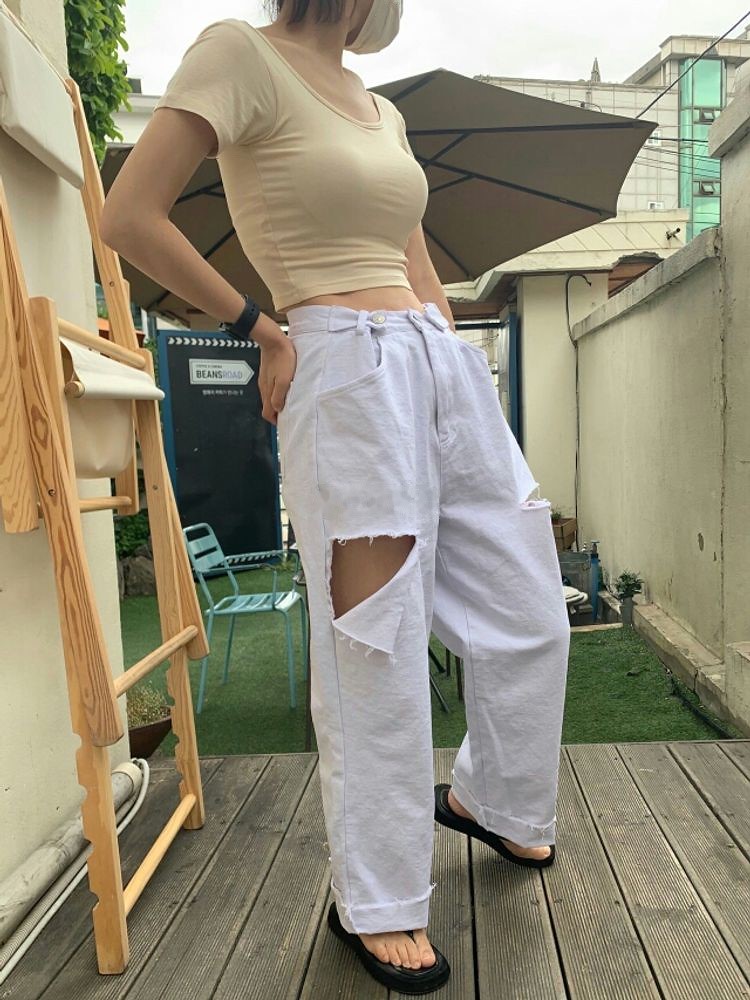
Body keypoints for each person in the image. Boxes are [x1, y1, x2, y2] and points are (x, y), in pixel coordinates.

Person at [100, 1, 570, 993]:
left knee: (531, 601)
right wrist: (258, 328)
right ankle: (379, 899)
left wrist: (455, 364)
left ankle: (492, 801)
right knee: (377, 643)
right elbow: (128, 215)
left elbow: (412, 258)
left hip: (434, 363)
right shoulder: (239, 55)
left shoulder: (379, 107)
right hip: (341, 369)